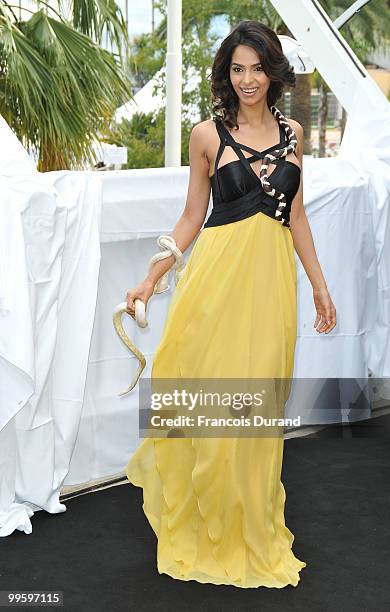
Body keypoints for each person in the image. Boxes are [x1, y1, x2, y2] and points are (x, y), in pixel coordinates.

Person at [123, 20, 336, 589]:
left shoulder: (294, 133)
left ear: (273, 72)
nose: (247, 79)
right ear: (226, 75)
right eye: (237, 69)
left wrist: (318, 284)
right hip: (214, 288)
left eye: (257, 68)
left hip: (270, 291)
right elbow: (192, 216)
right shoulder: (206, 136)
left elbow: (296, 216)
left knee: (257, 412)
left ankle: (252, 528)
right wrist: (151, 278)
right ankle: (206, 525)